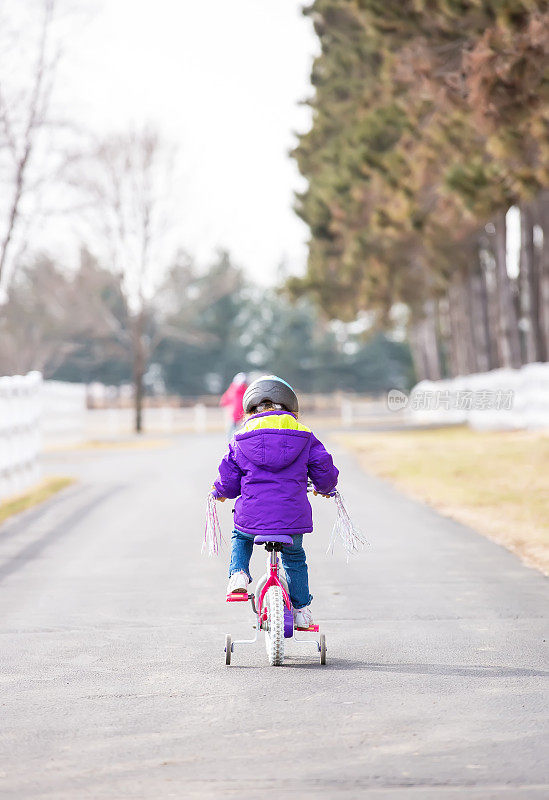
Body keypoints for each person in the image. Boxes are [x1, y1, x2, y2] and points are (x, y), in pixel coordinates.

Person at [211, 375, 339, 629]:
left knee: (241, 536)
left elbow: (229, 478)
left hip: (252, 517)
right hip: (292, 517)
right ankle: (301, 610)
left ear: (250, 409)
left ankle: (237, 575)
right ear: (291, 407)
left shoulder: (241, 437)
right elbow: (323, 469)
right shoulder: (304, 435)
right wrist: (326, 488)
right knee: (294, 557)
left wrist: (220, 492)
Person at [219, 373, 248, 438]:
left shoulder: (233, 389)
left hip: (238, 415)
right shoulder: (239, 390)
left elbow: (224, 401)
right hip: (238, 415)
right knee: (234, 432)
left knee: (233, 432)